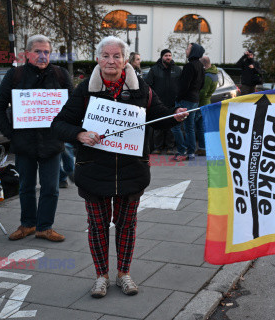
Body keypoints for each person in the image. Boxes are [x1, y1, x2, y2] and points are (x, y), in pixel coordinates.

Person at [51, 36, 188, 298]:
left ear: (125, 60)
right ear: (98, 59)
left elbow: (159, 116)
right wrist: (80, 134)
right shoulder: (84, 91)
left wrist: (175, 116)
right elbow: (59, 124)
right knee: (97, 226)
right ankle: (101, 276)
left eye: (116, 56)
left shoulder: (141, 90)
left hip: (131, 170)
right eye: (106, 56)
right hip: (94, 170)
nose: (111, 61)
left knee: (127, 225)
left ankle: (124, 273)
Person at [0, 34, 73, 242]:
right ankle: (28, 224)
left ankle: (45, 227)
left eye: (46, 52)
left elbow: (73, 107)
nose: (43, 56)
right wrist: (10, 134)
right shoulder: (15, 76)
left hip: (52, 143)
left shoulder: (60, 75)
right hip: (24, 143)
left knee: (51, 188)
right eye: (38, 51)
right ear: (27, 54)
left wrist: (66, 130)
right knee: (26, 187)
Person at [171, 43, 205, 161]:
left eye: (188, 48)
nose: (186, 50)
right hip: (194, 99)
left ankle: (182, 151)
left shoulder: (190, 66)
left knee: (175, 126)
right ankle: (190, 153)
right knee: (189, 127)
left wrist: (177, 98)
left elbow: (184, 85)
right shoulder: (200, 65)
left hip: (185, 100)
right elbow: (202, 84)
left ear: (193, 51)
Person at [145, 49, 182, 155]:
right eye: (166, 55)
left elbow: (181, 85)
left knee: (171, 126)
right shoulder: (154, 70)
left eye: (170, 55)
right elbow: (148, 84)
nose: (168, 57)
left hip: (173, 102)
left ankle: (170, 147)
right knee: (158, 125)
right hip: (158, 103)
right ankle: (158, 147)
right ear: (162, 57)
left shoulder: (177, 70)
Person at [195, 56, 218, 156]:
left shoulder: (208, 76)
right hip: (206, 102)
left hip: (202, 104)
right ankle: (203, 147)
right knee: (202, 127)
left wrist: (194, 95)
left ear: (203, 64)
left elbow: (203, 92)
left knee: (197, 127)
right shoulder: (214, 73)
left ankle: (202, 148)